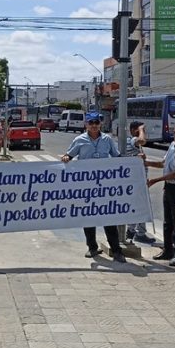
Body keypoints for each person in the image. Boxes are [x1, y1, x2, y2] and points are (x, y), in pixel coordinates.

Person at [61, 111, 126, 263]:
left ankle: (116, 250)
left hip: (104, 187)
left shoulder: (107, 139)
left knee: (108, 218)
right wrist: (65, 158)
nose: (94, 126)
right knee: (88, 217)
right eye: (91, 123)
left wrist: (132, 163)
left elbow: (116, 157)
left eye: (96, 123)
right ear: (86, 125)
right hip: (86, 186)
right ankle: (92, 247)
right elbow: (69, 156)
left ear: (100, 124)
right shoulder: (79, 140)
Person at [148, 122, 175, 264]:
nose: (174, 137)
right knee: (167, 221)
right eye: (173, 134)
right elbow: (163, 164)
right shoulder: (172, 145)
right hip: (168, 187)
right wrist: (146, 162)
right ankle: (167, 249)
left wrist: (156, 179)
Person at [123, 121, 157, 244]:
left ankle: (139, 232)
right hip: (135, 180)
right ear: (133, 131)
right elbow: (142, 141)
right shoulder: (132, 141)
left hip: (137, 178)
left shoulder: (129, 142)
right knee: (138, 206)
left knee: (141, 205)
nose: (143, 133)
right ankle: (132, 231)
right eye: (140, 131)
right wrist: (141, 130)